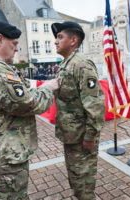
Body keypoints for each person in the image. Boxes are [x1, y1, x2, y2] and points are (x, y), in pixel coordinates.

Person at [0, 21, 59, 199]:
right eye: (14, 44)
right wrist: (48, 88)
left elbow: (18, 93)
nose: (17, 49)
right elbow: (28, 104)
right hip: (6, 154)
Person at [51, 21, 105, 200]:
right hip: (71, 136)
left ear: (73, 40)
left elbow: (95, 106)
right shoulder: (67, 64)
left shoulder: (82, 65)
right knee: (76, 180)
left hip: (82, 138)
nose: (56, 41)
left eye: (60, 37)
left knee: (84, 184)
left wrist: (90, 137)